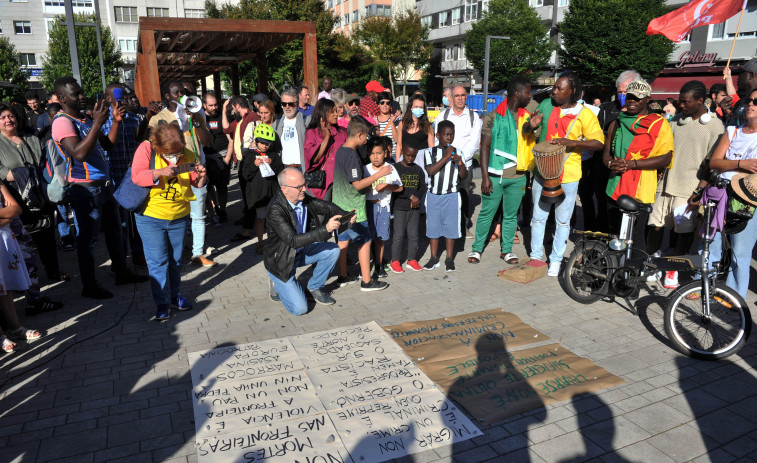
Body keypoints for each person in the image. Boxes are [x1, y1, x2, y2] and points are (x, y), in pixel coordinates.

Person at [52, 77, 147, 299]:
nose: (82, 96)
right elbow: (78, 153)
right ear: (63, 98)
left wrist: (113, 121)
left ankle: (121, 271)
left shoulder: (84, 118)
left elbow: (108, 145)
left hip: (105, 186)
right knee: (88, 239)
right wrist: (96, 123)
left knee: (115, 232)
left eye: (81, 91)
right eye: (76, 94)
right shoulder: (62, 122)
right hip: (85, 190)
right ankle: (89, 285)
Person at [647, 81, 723, 288]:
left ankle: (673, 271)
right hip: (665, 185)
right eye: (680, 102)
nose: (681, 106)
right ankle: (652, 264)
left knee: (683, 232)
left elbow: (711, 164)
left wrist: (699, 191)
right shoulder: (676, 121)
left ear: (700, 101)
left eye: (685, 102)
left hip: (688, 188)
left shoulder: (715, 126)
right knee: (655, 225)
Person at [529, 71, 605, 277]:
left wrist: (572, 142)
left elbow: (599, 143)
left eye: (559, 88)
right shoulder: (545, 105)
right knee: (538, 217)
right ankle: (535, 257)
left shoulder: (585, 113)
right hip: (542, 172)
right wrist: (530, 126)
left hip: (569, 175)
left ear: (572, 91)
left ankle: (555, 260)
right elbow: (529, 128)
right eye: (554, 87)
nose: (554, 91)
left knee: (563, 221)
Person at [131, 123, 207, 321]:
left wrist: (201, 178)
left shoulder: (188, 154)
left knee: (174, 261)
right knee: (158, 262)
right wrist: (159, 172)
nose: (176, 156)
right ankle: (162, 303)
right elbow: (137, 177)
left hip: (179, 216)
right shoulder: (146, 148)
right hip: (150, 217)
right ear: (158, 146)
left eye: (178, 151)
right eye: (170, 153)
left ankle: (174, 297)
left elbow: (195, 183)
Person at [691, 88, 757, 300]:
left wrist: (729, 166)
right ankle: (700, 285)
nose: (750, 104)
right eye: (749, 101)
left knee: (740, 250)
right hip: (720, 192)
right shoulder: (733, 132)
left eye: (756, 101)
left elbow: (722, 163)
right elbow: (714, 163)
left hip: (748, 199)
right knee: (709, 242)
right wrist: (741, 164)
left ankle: (734, 295)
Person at [468, 76, 536, 265]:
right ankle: (476, 249)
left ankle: (506, 250)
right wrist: (485, 177)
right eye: (528, 92)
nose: (530, 96)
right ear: (517, 93)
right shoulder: (492, 117)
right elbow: (484, 148)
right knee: (486, 213)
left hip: (518, 176)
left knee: (511, 215)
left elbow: (528, 137)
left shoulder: (526, 117)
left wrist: (532, 127)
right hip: (495, 176)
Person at [148, 80, 216, 267]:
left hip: (195, 173)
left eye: (184, 93)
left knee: (198, 215)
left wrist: (196, 123)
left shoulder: (195, 114)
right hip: (172, 177)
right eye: (177, 93)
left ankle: (198, 253)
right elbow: (153, 148)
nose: (181, 96)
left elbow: (208, 142)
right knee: (175, 218)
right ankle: (174, 256)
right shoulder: (159, 118)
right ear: (168, 96)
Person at [265, 168, 351, 314]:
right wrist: (326, 229)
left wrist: (344, 215)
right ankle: (276, 283)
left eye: (304, 184)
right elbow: (292, 240)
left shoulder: (301, 197)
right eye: (299, 187)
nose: (305, 189)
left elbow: (325, 206)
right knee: (300, 309)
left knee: (333, 250)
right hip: (281, 262)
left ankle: (314, 286)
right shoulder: (275, 209)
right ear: (284, 189)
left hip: (301, 251)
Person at [603, 79, 674, 252]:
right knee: (613, 234)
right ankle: (613, 271)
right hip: (615, 187)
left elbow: (665, 158)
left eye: (638, 98)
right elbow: (606, 154)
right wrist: (612, 164)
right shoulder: (616, 122)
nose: (632, 101)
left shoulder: (659, 124)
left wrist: (631, 164)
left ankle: (633, 276)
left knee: (635, 238)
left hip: (641, 190)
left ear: (647, 100)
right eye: (629, 97)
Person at [332, 118, 390, 291]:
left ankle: (342, 276)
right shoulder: (351, 155)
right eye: (365, 136)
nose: (367, 140)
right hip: (354, 209)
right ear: (359, 134)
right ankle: (366, 281)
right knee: (365, 242)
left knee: (342, 242)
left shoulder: (341, 150)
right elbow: (357, 184)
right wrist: (379, 173)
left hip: (339, 205)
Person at [101, 83, 146, 267]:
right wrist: (116, 121)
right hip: (115, 179)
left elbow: (140, 139)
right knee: (121, 225)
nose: (123, 100)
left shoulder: (134, 118)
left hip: (134, 178)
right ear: (109, 99)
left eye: (125, 96)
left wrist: (147, 118)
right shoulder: (104, 121)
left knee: (137, 221)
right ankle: (121, 263)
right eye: (118, 96)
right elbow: (108, 146)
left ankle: (138, 255)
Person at [434, 86, 482, 237]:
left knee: (463, 195)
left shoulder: (474, 118)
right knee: (445, 195)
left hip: (464, 164)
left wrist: (459, 158)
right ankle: (444, 226)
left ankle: (463, 226)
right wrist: (446, 156)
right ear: (452, 98)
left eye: (463, 95)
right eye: (457, 96)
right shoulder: (443, 116)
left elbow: (474, 143)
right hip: (445, 163)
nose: (460, 98)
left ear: (466, 97)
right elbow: (438, 138)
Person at [0, 182, 41, 353]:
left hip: (4, 241)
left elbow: (16, 209)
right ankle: (1, 335)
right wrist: (5, 215)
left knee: (5, 288)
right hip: (4, 233)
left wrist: (8, 214)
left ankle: (15, 328)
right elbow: (10, 211)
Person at [422, 120, 467, 272]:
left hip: (451, 196)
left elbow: (463, 176)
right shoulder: (430, 152)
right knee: (433, 227)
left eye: (452, 135)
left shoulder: (458, 152)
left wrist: (460, 164)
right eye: (446, 135)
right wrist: (446, 157)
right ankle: (433, 257)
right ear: (438, 135)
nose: (449, 138)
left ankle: (449, 258)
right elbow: (430, 171)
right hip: (434, 195)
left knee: (450, 227)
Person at [235, 124, 284, 252]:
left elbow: (280, 170)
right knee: (261, 219)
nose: (265, 146)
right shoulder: (250, 155)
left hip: (272, 194)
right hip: (259, 195)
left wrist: (272, 163)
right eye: (262, 143)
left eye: (268, 144)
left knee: (273, 220)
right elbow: (245, 175)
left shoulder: (273, 155)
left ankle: (274, 242)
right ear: (256, 141)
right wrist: (254, 165)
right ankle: (261, 243)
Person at [363, 136, 402, 278]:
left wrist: (386, 186)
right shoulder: (365, 169)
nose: (375, 157)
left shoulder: (390, 168)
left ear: (385, 153)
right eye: (372, 153)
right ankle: (366, 265)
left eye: (379, 153)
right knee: (367, 238)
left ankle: (379, 265)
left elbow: (399, 187)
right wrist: (365, 189)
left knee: (381, 238)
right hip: (367, 208)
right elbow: (359, 187)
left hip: (383, 208)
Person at [389, 144, 426, 273]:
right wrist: (410, 196)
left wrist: (416, 197)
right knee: (398, 235)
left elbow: (423, 187)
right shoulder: (396, 168)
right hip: (400, 207)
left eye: (413, 156)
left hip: (414, 208)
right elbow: (394, 188)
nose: (410, 158)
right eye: (408, 155)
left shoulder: (418, 170)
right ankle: (395, 261)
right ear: (403, 153)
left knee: (413, 235)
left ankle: (411, 260)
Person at [304, 98, 347, 200]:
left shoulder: (342, 133)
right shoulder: (312, 133)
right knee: (321, 215)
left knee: (338, 214)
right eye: (333, 112)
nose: (336, 114)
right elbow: (313, 159)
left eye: (336, 111)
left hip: (340, 181)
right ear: (323, 113)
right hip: (321, 183)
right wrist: (327, 137)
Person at [203, 92, 232, 224]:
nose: (214, 107)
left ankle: (223, 209)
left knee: (222, 187)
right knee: (208, 187)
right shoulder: (200, 117)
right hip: (207, 158)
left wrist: (227, 159)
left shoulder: (223, 116)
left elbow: (231, 139)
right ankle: (214, 209)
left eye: (216, 105)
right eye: (211, 105)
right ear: (204, 105)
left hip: (222, 157)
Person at [273, 87, 308, 171]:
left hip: (301, 168)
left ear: (297, 103)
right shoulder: (277, 123)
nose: (287, 107)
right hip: (283, 168)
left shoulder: (306, 120)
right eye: (284, 104)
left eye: (290, 104)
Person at [395, 94, 435, 162]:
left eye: (421, 107)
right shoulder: (402, 124)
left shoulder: (428, 126)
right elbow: (399, 145)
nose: (418, 109)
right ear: (411, 107)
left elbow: (431, 147)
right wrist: (397, 162)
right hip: (405, 161)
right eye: (416, 107)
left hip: (421, 161)